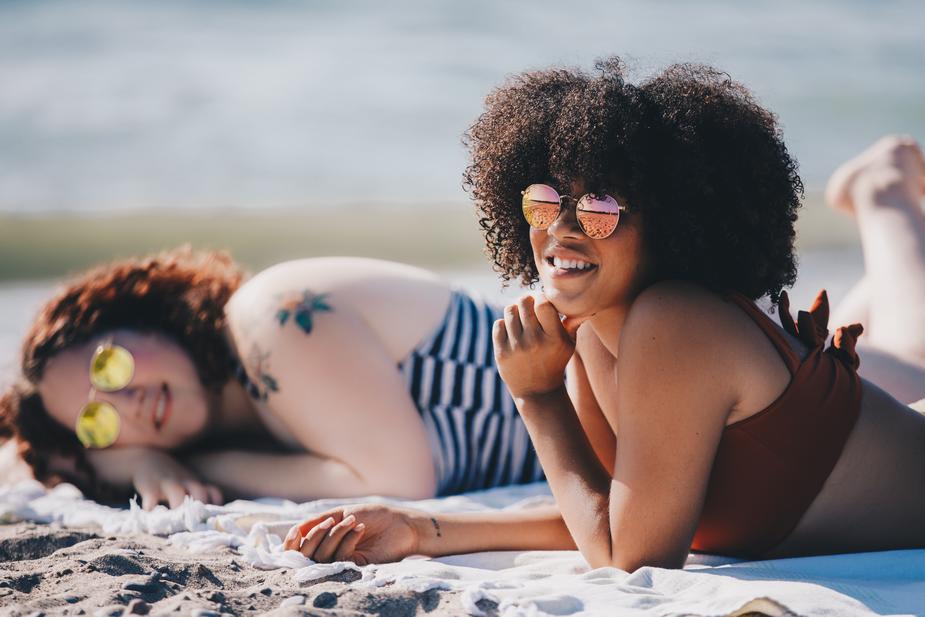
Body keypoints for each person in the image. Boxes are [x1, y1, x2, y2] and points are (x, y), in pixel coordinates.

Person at [284, 58, 925, 569]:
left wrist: (538, 398)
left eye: (598, 208)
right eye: (543, 202)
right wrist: (417, 529)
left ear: (674, 225)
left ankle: (884, 194)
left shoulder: (676, 325)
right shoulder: (596, 332)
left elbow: (629, 559)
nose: (560, 231)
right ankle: (886, 197)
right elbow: (611, 512)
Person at [0, 252, 544, 509]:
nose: (128, 401)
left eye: (109, 365)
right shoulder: (260, 422)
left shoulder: (267, 322)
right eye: (97, 422)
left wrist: (188, 467)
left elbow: (399, 485)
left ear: (143, 320)